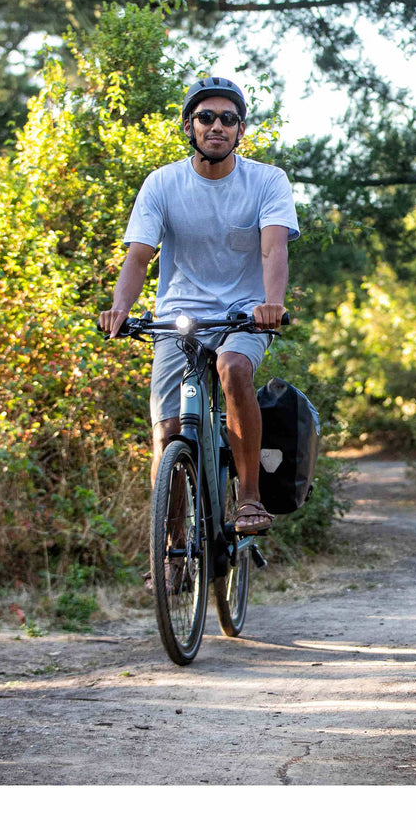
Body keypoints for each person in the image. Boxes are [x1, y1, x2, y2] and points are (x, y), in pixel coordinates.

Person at [99, 76, 299, 536]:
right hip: (177, 318)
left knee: (233, 368)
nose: (217, 126)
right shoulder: (163, 183)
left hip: (243, 313)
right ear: (189, 126)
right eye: (206, 117)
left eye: (228, 119)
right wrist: (119, 309)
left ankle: (247, 496)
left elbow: (273, 249)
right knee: (168, 433)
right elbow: (139, 254)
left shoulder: (267, 181)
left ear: (240, 131)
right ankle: (170, 554)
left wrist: (271, 304)